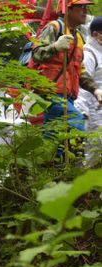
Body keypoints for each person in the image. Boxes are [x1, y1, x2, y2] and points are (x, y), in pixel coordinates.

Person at [30, 0, 102, 134]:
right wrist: (55, 47)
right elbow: (36, 54)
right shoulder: (54, 27)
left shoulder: (78, 37)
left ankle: (50, 154)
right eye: (81, 7)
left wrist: (95, 90)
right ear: (67, 9)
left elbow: (79, 70)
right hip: (51, 93)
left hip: (67, 95)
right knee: (76, 122)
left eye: (86, 7)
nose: (85, 11)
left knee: (56, 136)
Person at [75, 16, 102, 166]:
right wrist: (84, 113)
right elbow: (83, 87)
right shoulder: (88, 54)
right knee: (93, 152)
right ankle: (85, 186)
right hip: (94, 113)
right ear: (95, 34)